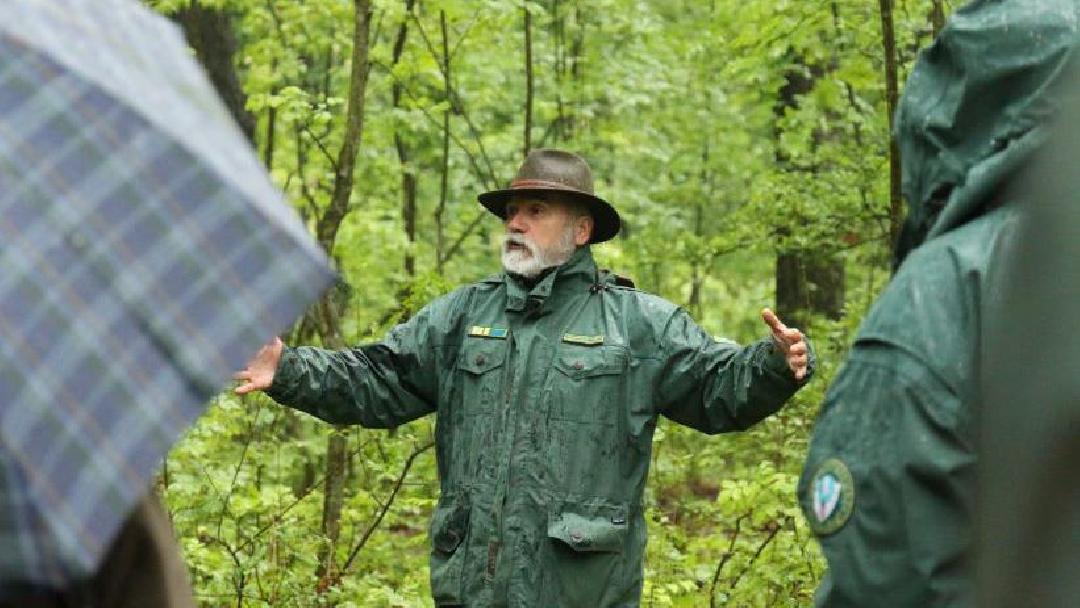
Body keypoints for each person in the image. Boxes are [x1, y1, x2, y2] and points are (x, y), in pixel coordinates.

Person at [235, 149, 814, 606]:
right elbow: (378, 378)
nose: (516, 221)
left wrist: (770, 366)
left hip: (580, 590)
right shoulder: (463, 316)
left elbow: (715, 387)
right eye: (513, 210)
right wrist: (286, 369)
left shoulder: (637, 324)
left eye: (536, 210)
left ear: (581, 230)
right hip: (472, 587)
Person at [796, 1, 1080, 605]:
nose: (534, 224)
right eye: (532, 208)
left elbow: (890, 579)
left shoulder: (943, 295)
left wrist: (764, 369)